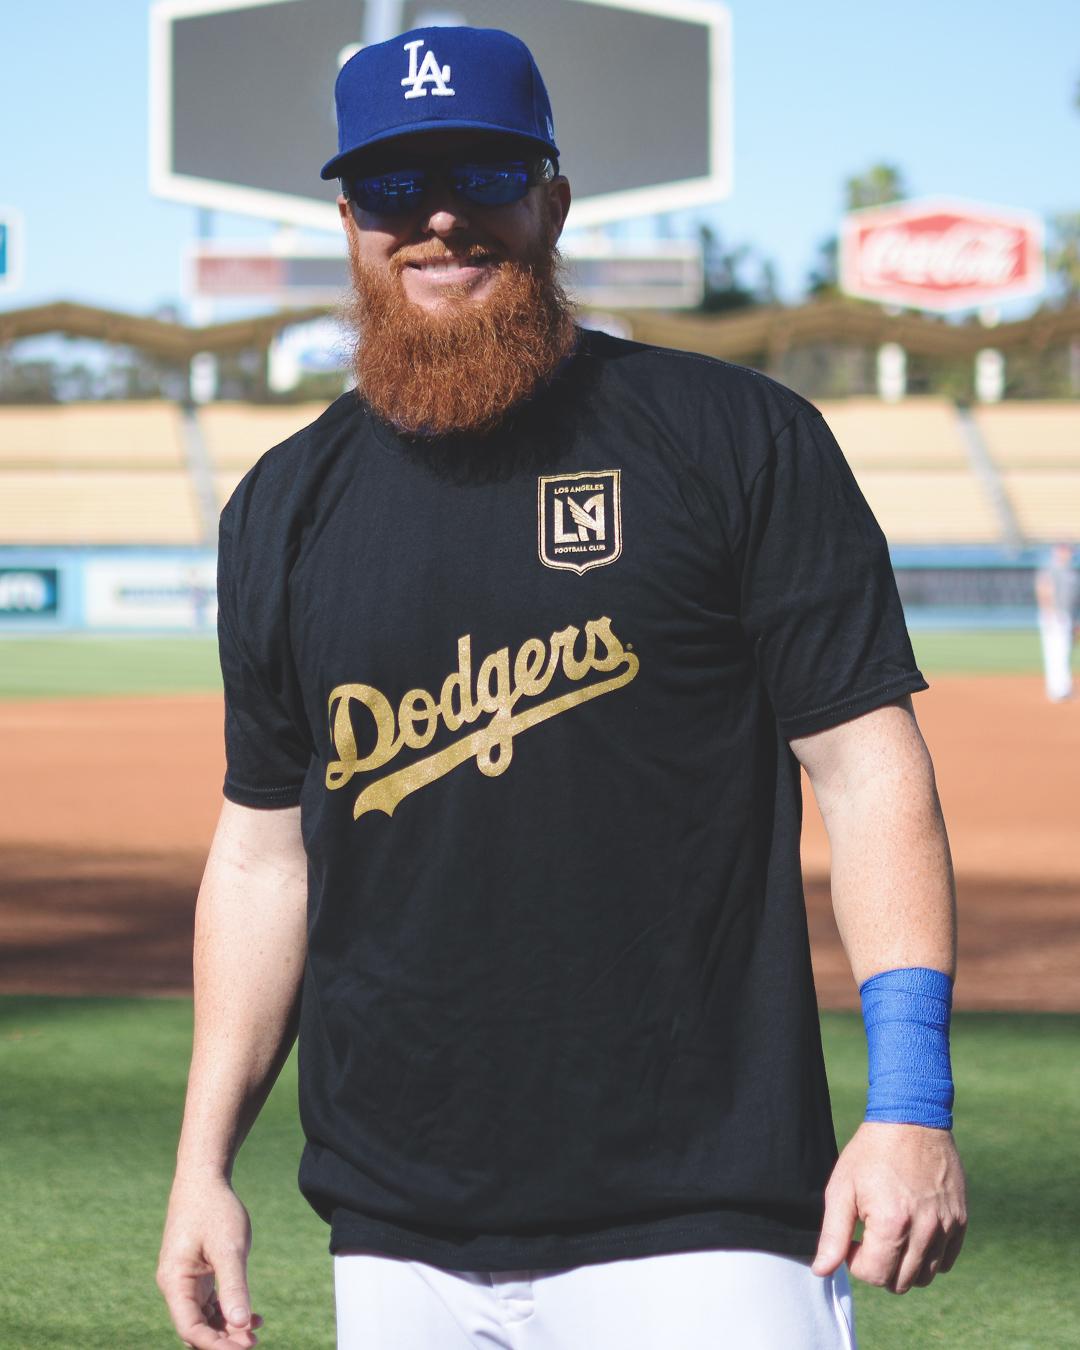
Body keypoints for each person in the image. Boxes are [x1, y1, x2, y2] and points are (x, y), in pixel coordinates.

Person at [157, 25, 967, 1350]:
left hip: (705, 1213)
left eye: (478, 175)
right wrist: (202, 1165)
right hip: (392, 1223)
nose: (436, 219)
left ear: (552, 196)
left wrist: (913, 1099)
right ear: (347, 218)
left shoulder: (734, 437)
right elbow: (261, 860)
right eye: (389, 189)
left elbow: (869, 773)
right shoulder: (283, 507)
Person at [1035, 543, 1078, 701]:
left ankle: (1063, 687)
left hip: (1067, 615)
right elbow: (1044, 590)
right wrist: (1049, 612)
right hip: (1054, 615)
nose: (1069, 555)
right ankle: (1058, 690)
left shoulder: (1070, 572)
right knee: (1055, 652)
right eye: (1066, 551)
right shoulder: (1050, 569)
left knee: (1064, 651)